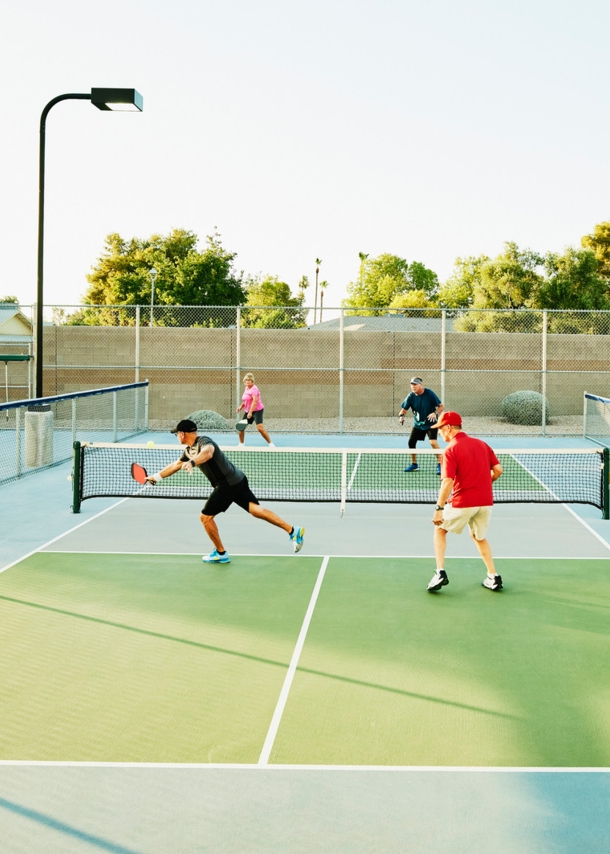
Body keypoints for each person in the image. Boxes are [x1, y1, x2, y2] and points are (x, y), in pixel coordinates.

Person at [145, 419, 304, 562]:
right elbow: (175, 466)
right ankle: (293, 530)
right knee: (256, 510)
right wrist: (155, 477)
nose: (177, 437)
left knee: (205, 517)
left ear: (182, 434)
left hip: (227, 484)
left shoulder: (204, 441)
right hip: (238, 479)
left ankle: (221, 554)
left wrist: (192, 463)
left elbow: (208, 453)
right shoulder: (188, 451)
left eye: (176, 434)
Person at [427, 410, 504, 593]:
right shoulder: (482, 444)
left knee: (439, 529)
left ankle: (440, 573)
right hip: (485, 503)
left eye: (440, 429)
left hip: (463, 502)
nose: (439, 432)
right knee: (478, 537)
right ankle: (493, 577)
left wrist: (439, 508)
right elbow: (498, 470)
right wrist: (485, 483)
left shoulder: (451, 449)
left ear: (448, 427)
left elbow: (447, 481)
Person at [399, 377, 444, 474]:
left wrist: (435, 413)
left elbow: (441, 406)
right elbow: (404, 409)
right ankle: (414, 464)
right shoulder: (411, 396)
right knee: (411, 442)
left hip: (431, 423)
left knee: (433, 443)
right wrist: (401, 416)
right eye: (412, 384)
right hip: (418, 424)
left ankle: (440, 464)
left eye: (415, 384)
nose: (413, 386)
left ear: (421, 385)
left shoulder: (429, 393)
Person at [236, 372, 275, 448]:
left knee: (260, 428)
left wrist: (250, 412)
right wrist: (241, 407)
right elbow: (246, 400)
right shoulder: (246, 388)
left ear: (252, 381)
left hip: (257, 411)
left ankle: (271, 444)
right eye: (246, 380)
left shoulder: (254, 389)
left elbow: (255, 401)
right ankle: (241, 444)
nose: (248, 381)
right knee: (240, 428)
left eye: (249, 380)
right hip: (248, 411)